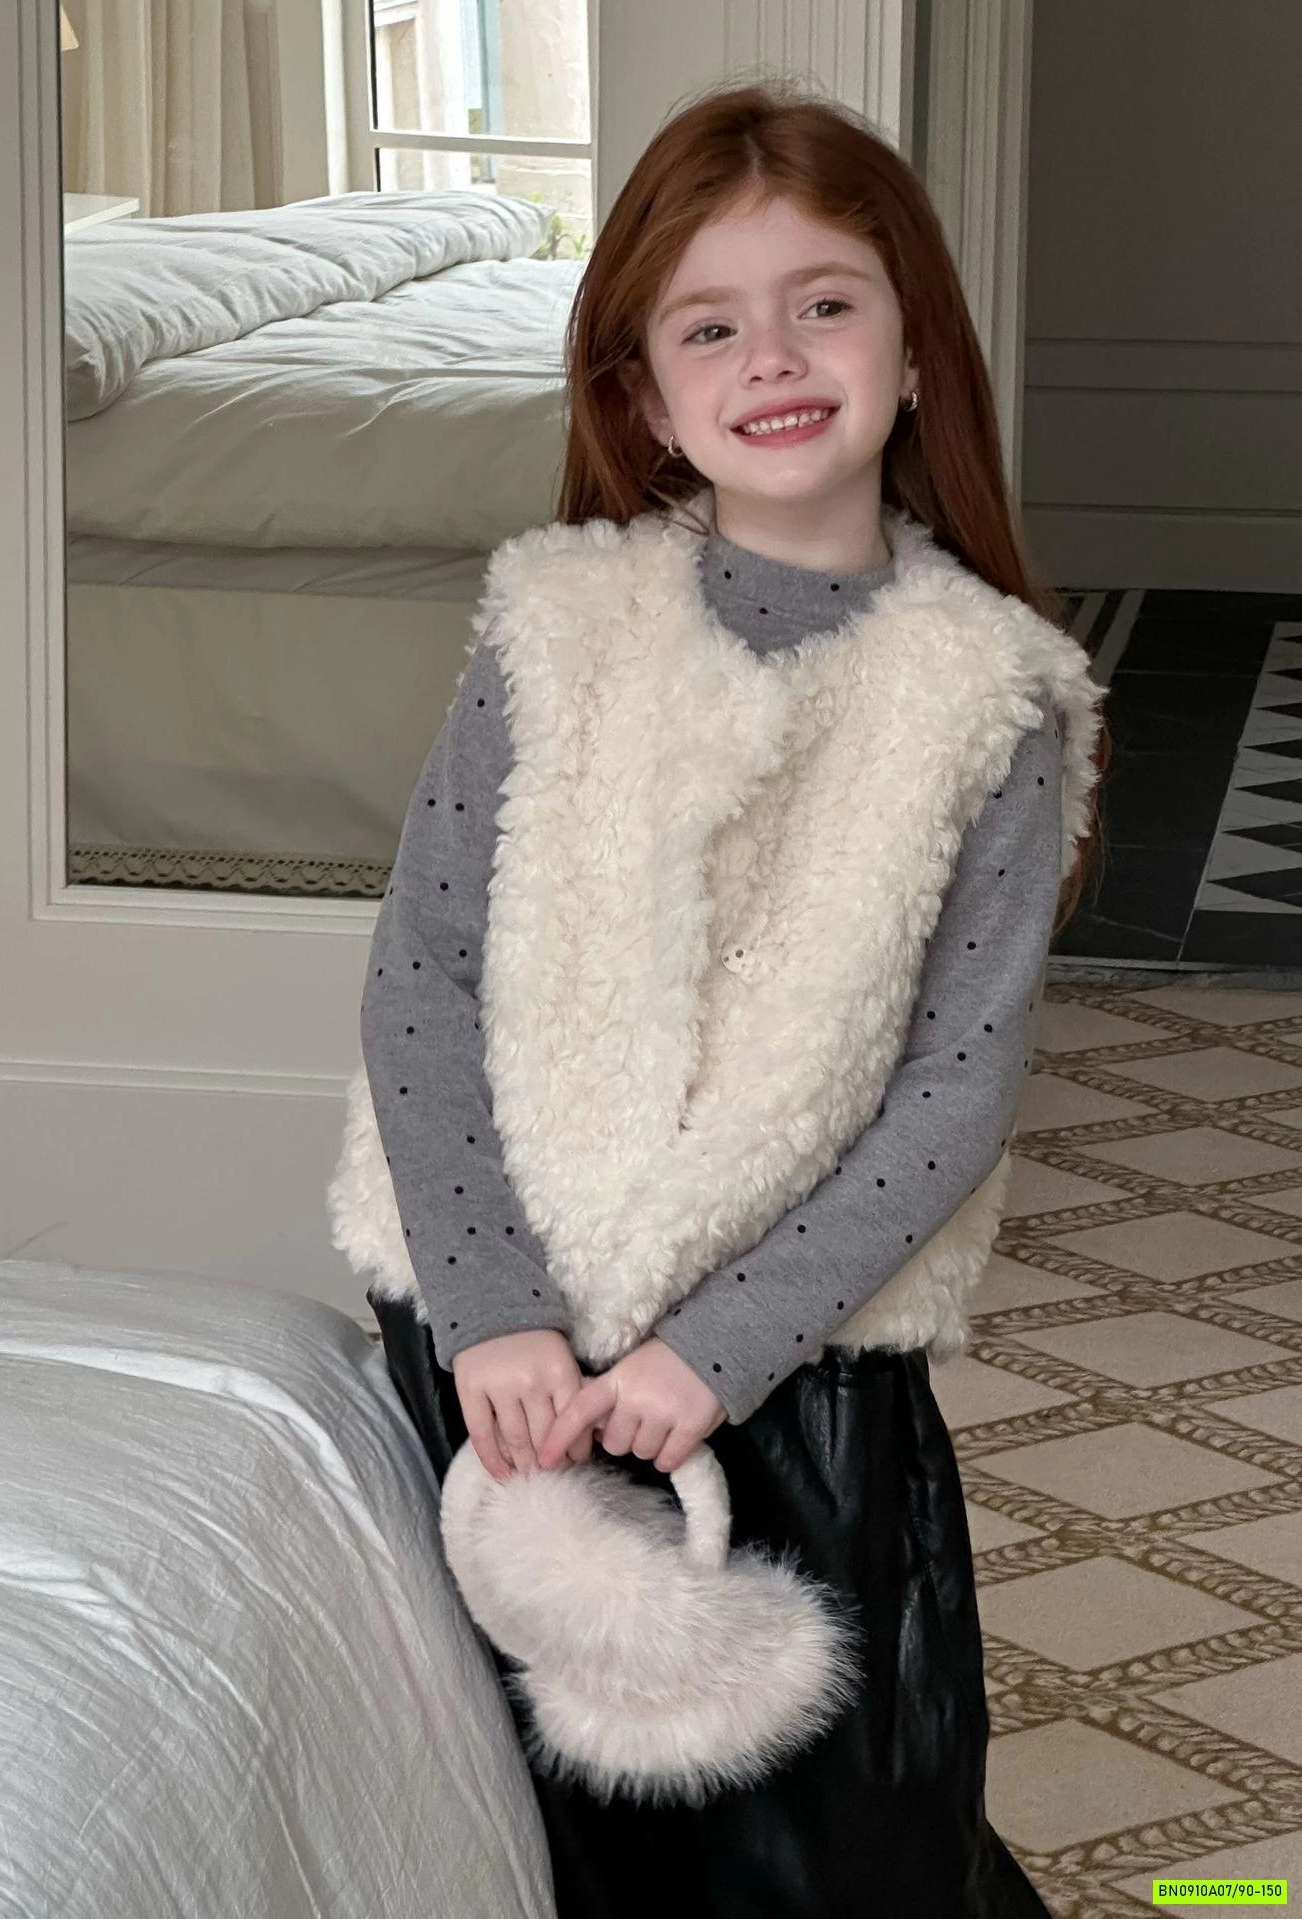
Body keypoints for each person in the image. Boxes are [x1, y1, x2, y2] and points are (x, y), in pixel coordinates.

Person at [329, 77, 1110, 1919]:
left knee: (830, 1830)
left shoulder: (991, 701)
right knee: (528, 1817)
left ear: (913, 350)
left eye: (824, 303)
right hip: (499, 1340)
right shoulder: (557, 629)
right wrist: (493, 1309)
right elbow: (425, 971)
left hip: (790, 1358)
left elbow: (953, 1091)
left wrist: (714, 1352)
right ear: (642, 393)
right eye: (709, 325)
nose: (772, 356)